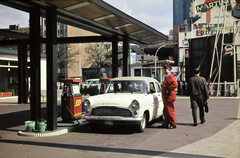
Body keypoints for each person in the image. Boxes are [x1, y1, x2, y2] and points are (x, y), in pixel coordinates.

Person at [159, 64, 178, 129]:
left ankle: (173, 124)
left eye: (166, 70)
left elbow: (175, 84)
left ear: (169, 70)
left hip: (169, 96)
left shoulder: (170, 77)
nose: (165, 71)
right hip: (167, 96)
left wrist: (168, 89)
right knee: (166, 111)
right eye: (164, 70)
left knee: (170, 110)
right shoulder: (168, 77)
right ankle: (165, 124)